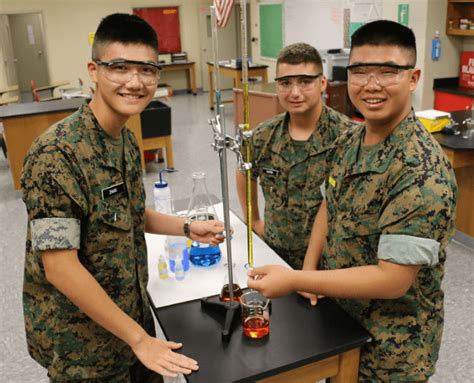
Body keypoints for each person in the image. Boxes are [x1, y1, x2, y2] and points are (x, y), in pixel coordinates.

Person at [248, 20, 457, 382]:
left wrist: (296, 277)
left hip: (392, 347)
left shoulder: (422, 170)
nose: (371, 85)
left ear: (413, 77)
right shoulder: (352, 140)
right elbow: (329, 205)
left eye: (388, 72)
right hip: (341, 321)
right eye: (360, 72)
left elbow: (393, 280)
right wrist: (309, 273)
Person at [21, 13, 225, 383]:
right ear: (94, 70)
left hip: (132, 322)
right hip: (82, 344)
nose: (135, 82)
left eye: (146, 69)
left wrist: (186, 227)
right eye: (119, 67)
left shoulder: (125, 139)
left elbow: (126, 212)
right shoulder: (56, 154)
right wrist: (139, 340)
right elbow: (60, 266)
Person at [236, 42, 354, 269]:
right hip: (274, 253)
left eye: (305, 82)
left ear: (322, 83)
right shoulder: (263, 135)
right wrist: (254, 220)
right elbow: (244, 172)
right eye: (286, 83)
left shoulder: (346, 137)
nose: (295, 93)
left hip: (329, 262)